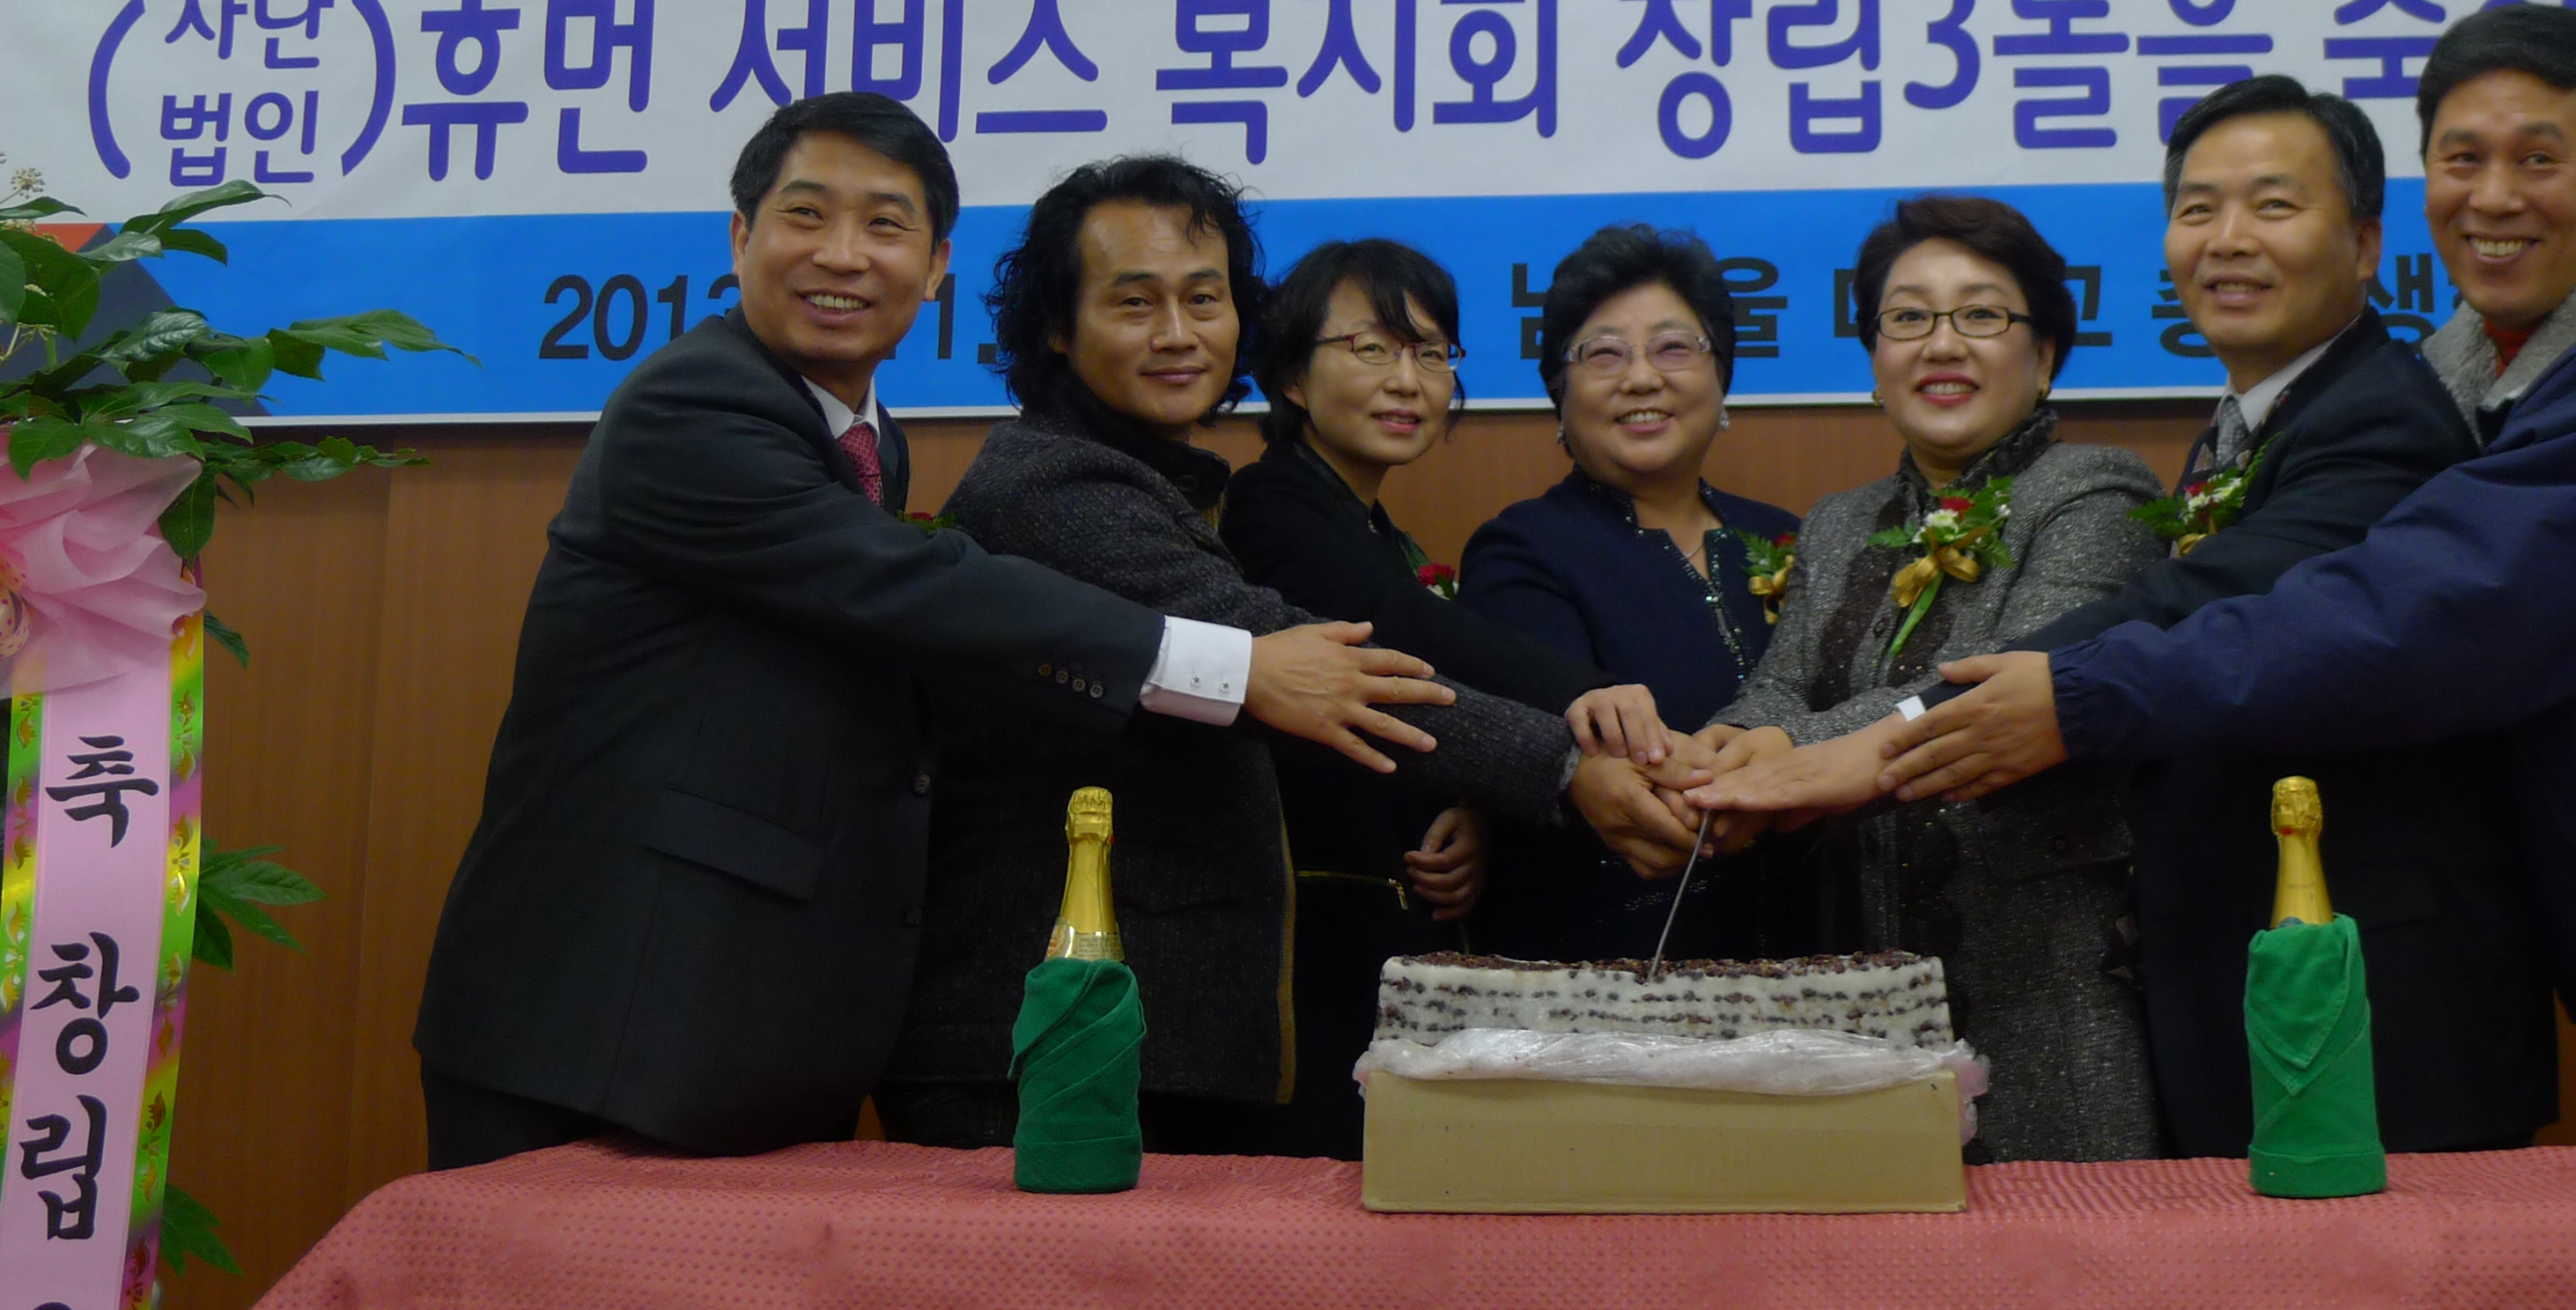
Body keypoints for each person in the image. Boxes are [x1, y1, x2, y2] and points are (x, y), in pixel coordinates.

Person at [1718, 7, 2576, 1158]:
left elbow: (2382, 618)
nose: (2493, 196)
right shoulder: (2438, 388)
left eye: (2537, 159)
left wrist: (1932, 731)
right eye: (2462, 160)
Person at [415, 95, 1444, 1168]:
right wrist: (1233, 667)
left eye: (886, 225)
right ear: (740, 235)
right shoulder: (693, 407)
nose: (844, 255)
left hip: (736, 1024)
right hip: (592, 1012)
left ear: (937, 264)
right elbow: (915, 587)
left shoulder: (866, 440)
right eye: (807, 215)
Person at [875, 159, 1690, 1156]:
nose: (1178, 333)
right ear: (1056, 325)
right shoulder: (1060, 491)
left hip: (1133, 1030)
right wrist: (1569, 766)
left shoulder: (1164, 486)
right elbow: (1315, 671)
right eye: (1134, 303)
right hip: (1041, 1041)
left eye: (1203, 298)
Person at [1925, 78, 2557, 1155]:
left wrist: (1894, 730)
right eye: (2197, 209)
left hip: (2379, 1006)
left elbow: (2195, 606)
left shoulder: (2383, 424)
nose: (2227, 241)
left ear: (2365, 245)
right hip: (2255, 967)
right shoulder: (2259, 420)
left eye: (2273, 206)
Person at [1679, 195, 2168, 1161]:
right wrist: (1732, 740)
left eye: (1981, 314)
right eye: (1908, 318)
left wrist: (1778, 756)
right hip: (1855, 997)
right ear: (1874, 357)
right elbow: (1782, 686)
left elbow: (1989, 689)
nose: (1942, 345)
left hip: (2045, 999)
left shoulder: (2097, 493)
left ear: (2046, 355)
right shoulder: (1839, 522)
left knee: (2069, 1245)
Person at [1221, 235, 1605, 1157]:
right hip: (1303, 953)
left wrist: (1468, 805)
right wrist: (1586, 699)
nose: (1407, 381)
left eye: (1430, 353)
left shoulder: (1371, 526)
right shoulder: (1270, 504)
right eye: (1371, 349)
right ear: (1292, 378)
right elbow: (1399, 632)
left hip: (1380, 935)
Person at [1458, 224, 1800, 959]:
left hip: (1817, 950)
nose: (1642, 378)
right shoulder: (1520, 550)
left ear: (1722, 377)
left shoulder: (1791, 539)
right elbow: (1561, 748)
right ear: (1559, 393)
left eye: (1674, 348)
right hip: (1606, 965)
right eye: (1605, 354)